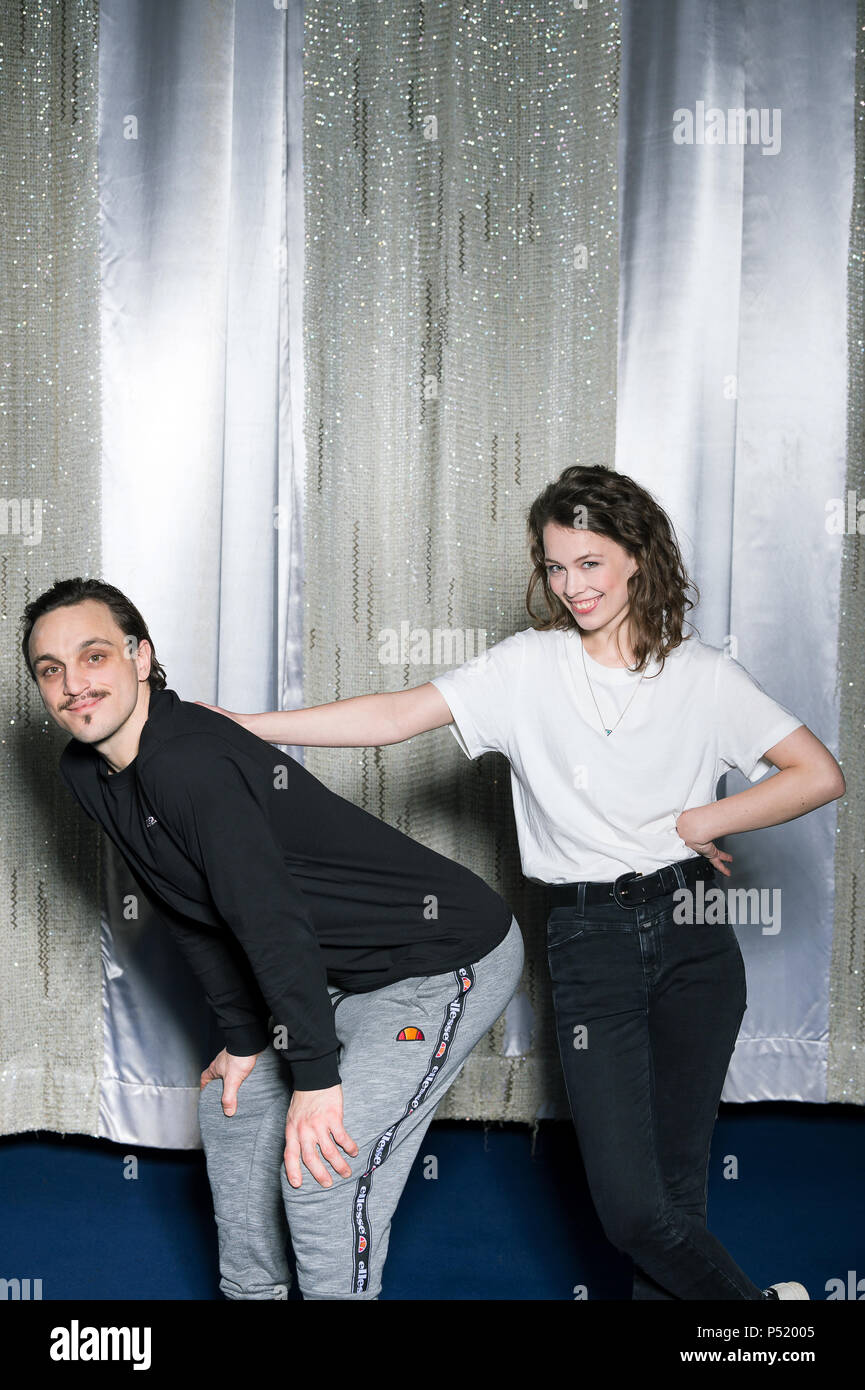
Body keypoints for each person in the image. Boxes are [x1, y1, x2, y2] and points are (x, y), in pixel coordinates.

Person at [201, 465, 845, 1301]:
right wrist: (252, 729)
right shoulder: (525, 668)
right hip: (589, 944)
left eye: (589, 563)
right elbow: (396, 716)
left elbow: (817, 773)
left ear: (637, 559)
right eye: (553, 566)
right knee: (632, 1212)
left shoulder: (704, 677)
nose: (570, 585)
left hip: (692, 934)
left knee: (678, 1196)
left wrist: (704, 822)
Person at [21, 577, 525, 1301]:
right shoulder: (88, 770)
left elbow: (267, 921)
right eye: (50, 669)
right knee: (229, 1112)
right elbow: (188, 907)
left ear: (140, 657)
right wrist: (244, 1036)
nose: (73, 684)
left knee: (319, 1166)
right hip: (325, 970)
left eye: (93, 656)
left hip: (439, 962)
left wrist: (317, 1081)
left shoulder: (187, 762)